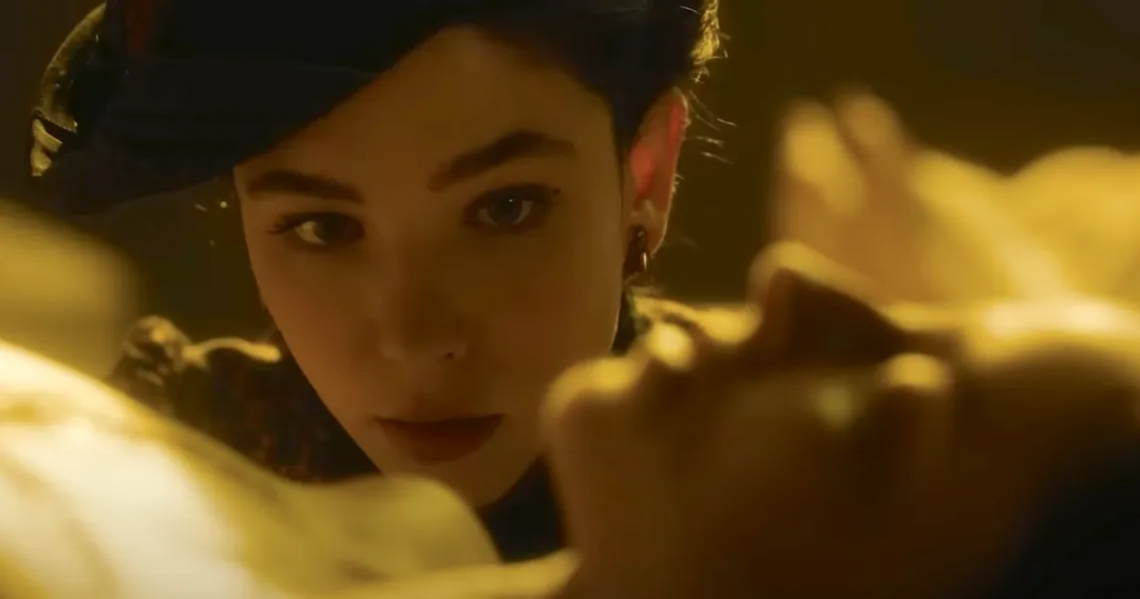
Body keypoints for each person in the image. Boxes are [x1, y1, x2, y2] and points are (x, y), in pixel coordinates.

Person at [30, 0, 722, 562]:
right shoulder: (164, 465)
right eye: (324, 228)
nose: (413, 342)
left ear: (645, 175)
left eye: (507, 208)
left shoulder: (753, 471)